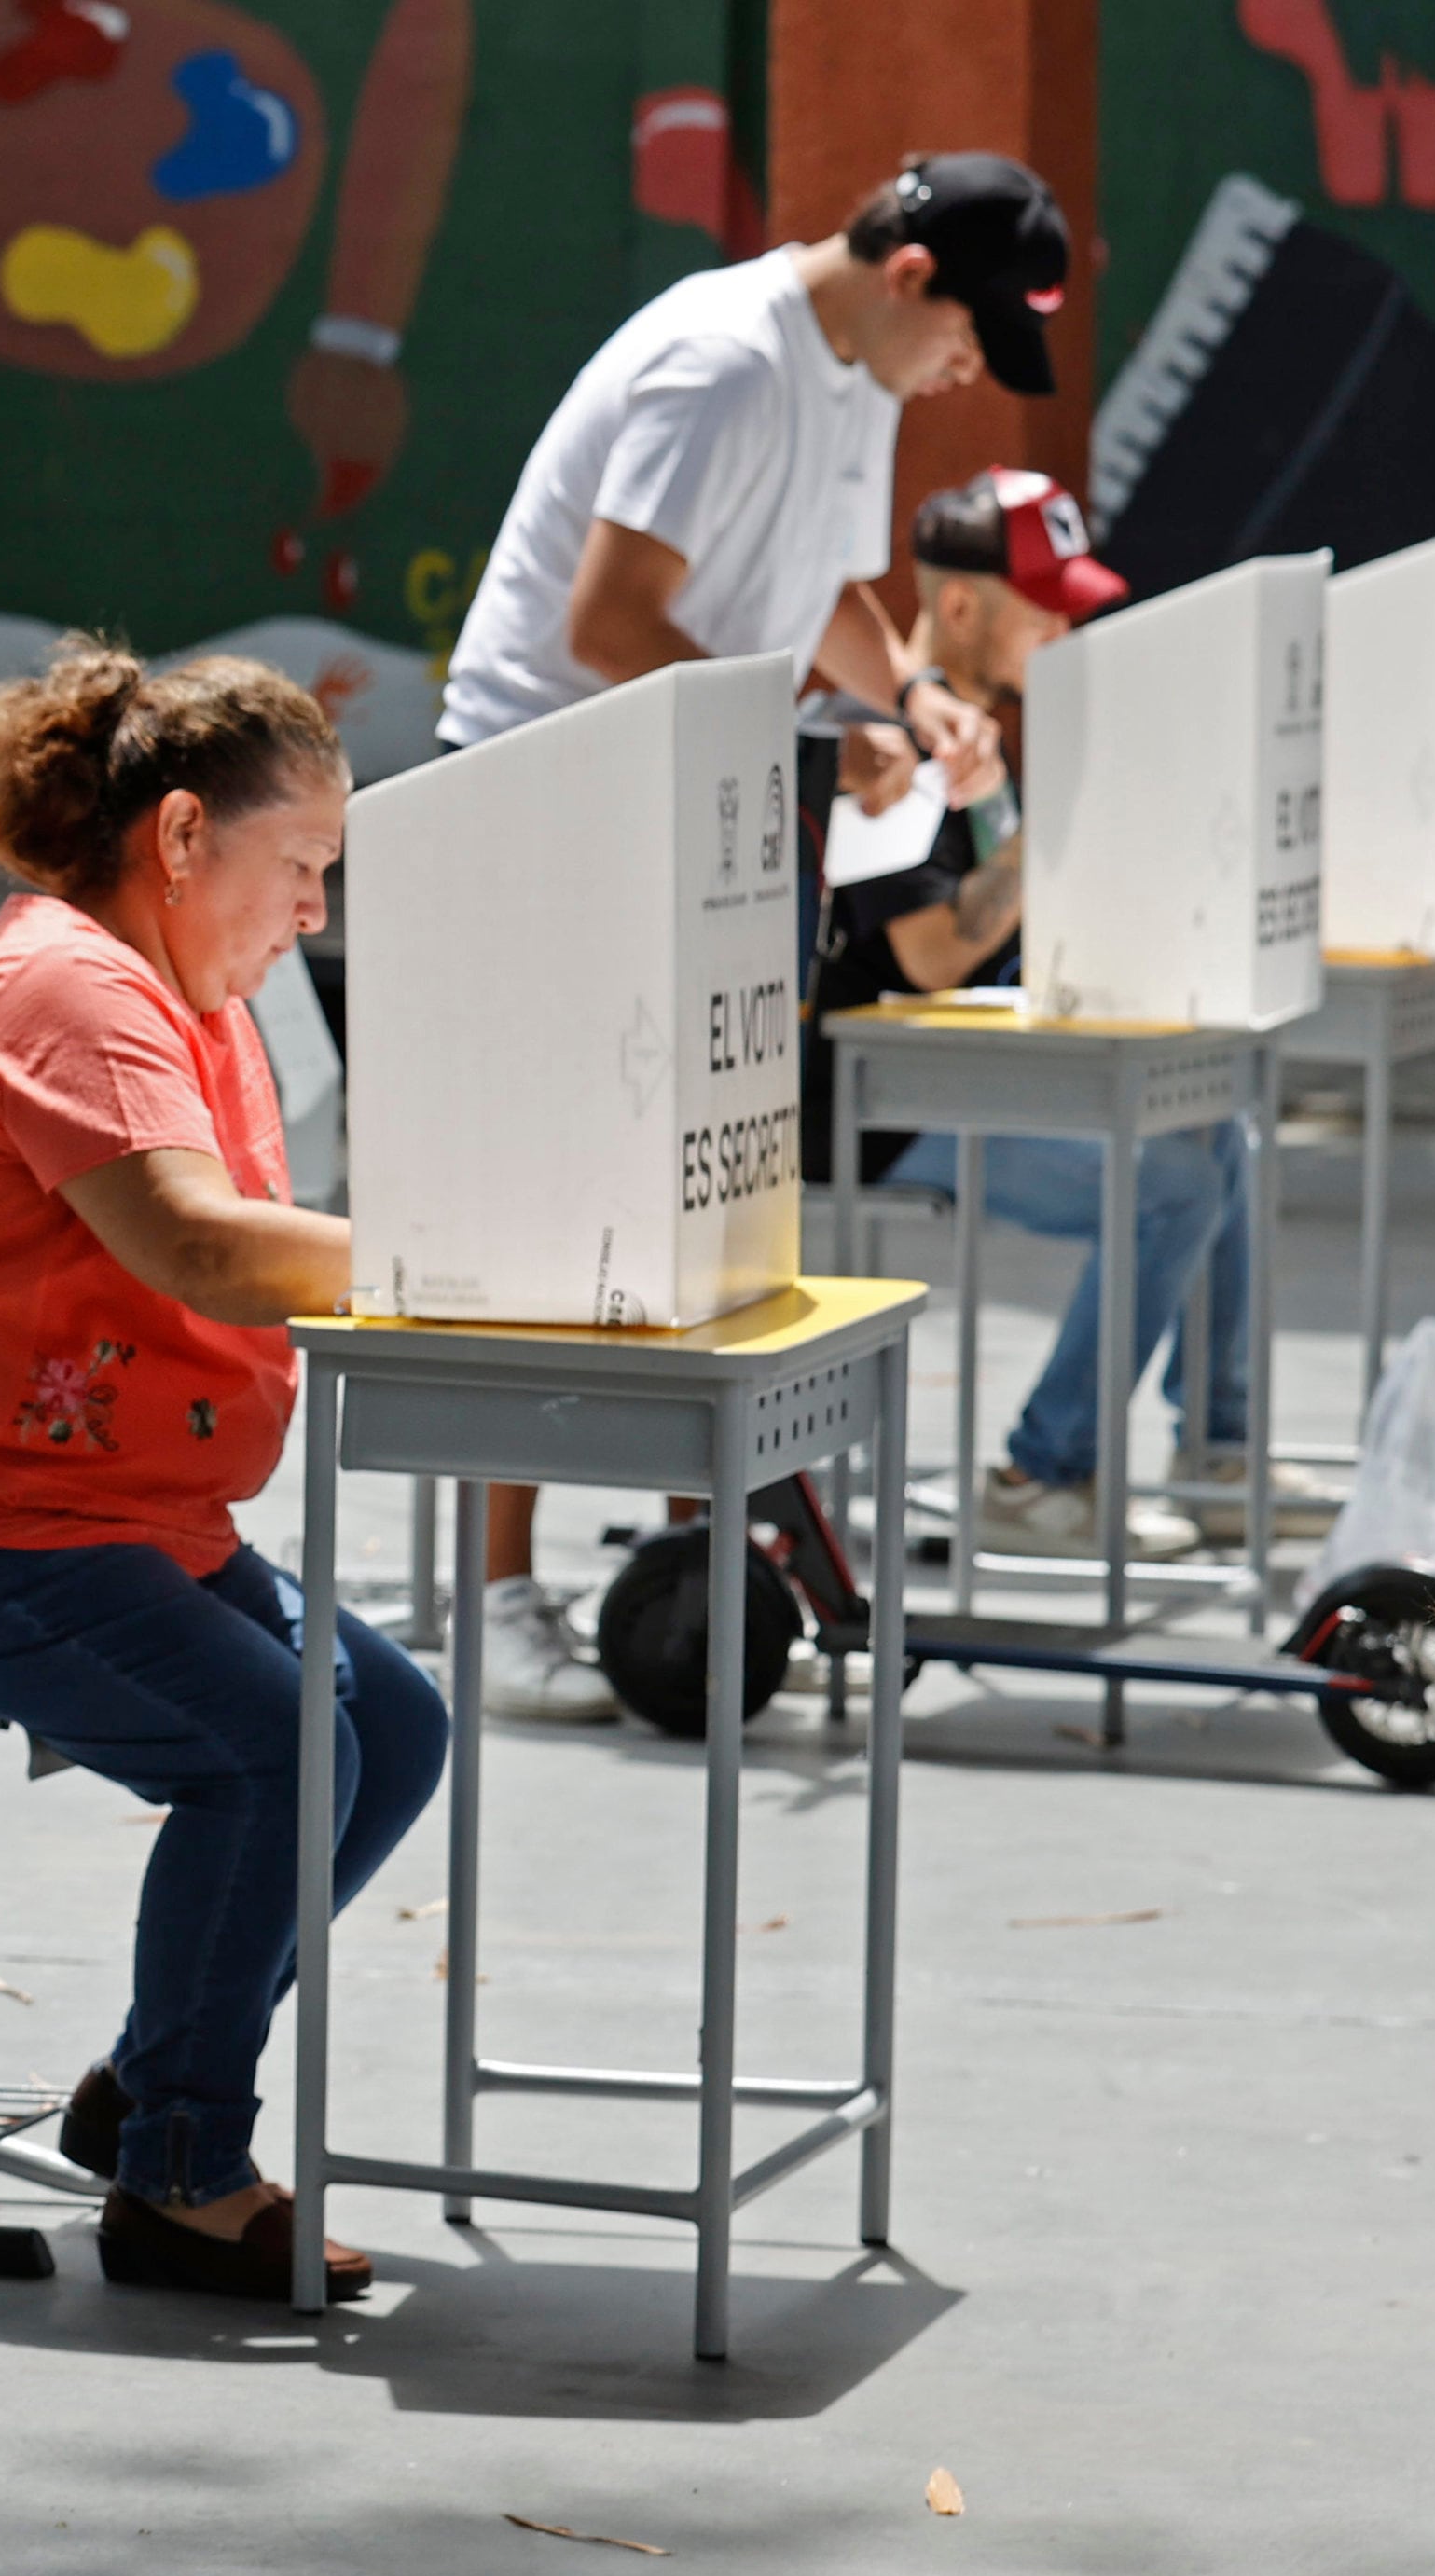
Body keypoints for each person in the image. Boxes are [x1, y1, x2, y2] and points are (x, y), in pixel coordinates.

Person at [0, 639, 448, 2302]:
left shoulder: (178, 990)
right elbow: (194, 1241)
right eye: (297, 865)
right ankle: (178, 2172)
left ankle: (152, 2077)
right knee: (274, 1750)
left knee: (389, 1727)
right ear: (178, 836)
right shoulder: (68, 988)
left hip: (118, 1515)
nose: (312, 910)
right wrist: (463, 1251)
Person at [433, 150, 1072, 1719]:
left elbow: (822, 591)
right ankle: (490, 1595)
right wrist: (800, 742)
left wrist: (902, 696)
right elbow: (606, 621)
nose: (964, 372)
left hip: (683, 798)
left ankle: (695, 1573)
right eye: (967, 335)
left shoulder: (855, 374)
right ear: (906, 276)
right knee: (547, 1205)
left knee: (701, 1187)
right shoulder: (720, 363)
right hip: (539, 802)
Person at [813, 466, 1269, 1559]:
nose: (1067, 631)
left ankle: (1216, 1446)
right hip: (874, 1112)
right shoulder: (887, 730)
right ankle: (1039, 1473)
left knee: (1222, 1135)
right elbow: (930, 952)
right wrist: (1064, 819)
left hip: (972, 1075)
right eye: (1045, 607)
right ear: (960, 606)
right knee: (1172, 1183)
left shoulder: (977, 726)